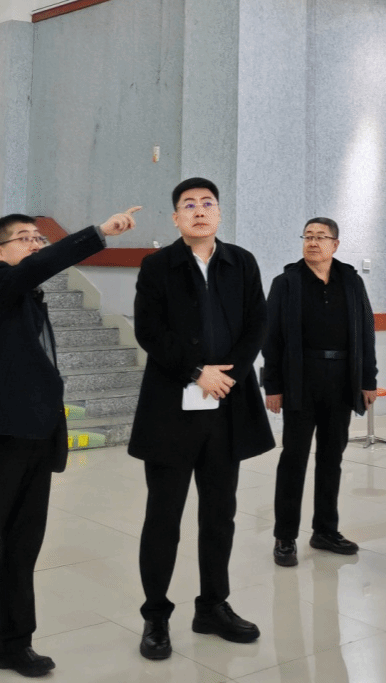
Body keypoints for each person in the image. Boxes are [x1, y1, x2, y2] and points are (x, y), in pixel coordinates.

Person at [0, 208, 139, 683]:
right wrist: (99, 233)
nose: (35, 244)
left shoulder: (29, 300)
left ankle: (14, 644)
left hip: (35, 442)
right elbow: (36, 268)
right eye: (24, 238)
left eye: (39, 238)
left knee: (22, 551)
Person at [128, 178, 274, 661]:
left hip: (226, 407)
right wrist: (196, 372)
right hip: (172, 408)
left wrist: (226, 376)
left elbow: (257, 323)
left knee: (220, 514)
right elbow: (149, 331)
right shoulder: (157, 266)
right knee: (163, 517)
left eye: (207, 203)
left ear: (219, 213)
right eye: (188, 205)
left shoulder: (242, 262)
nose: (198, 210)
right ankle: (155, 616)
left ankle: (212, 606)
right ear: (176, 218)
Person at [264, 217, 378, 567]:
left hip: (342, 381)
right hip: (301, 380)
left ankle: (325, 530)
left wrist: (368, 379)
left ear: (335, 244)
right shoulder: (287, 282)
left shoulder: (351, 282)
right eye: (308, 236)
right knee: (294, 458)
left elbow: (366, 331)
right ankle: (285, 537)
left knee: (332, 458)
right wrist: (273, 386)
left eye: (320, 237)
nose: (312, 242)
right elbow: (272, 338)